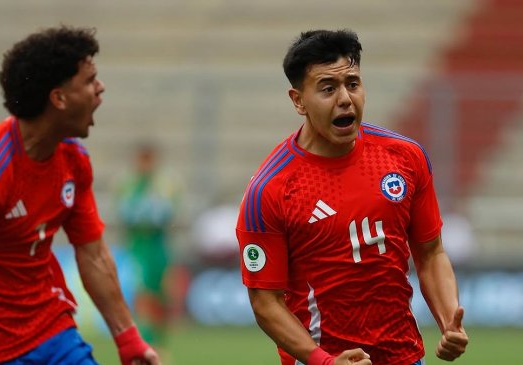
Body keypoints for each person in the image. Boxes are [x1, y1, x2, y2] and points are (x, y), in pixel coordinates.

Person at [0, 26, 160, 365]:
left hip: (52, 332)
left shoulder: (73, 160)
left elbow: (93, 253)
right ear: (59, 98)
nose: (100, 88)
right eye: (89, 80)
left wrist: (128, 339)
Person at [235, 29, 469, 365]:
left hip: (404, 356)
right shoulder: (270, 190)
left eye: (353, 84)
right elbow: (265, 301)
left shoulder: (405, 158)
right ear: (298, 100)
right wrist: (324, 361)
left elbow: (431, 253)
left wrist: (449, 323)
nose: (345, 98)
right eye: (328, 88)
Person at [115, 144, 179, 349]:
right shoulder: (128, 184)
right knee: (143, 296)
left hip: (159, 247)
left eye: (149, 160)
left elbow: (169, 215)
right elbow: (125, 215)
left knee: (162, 299)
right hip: (138, 247)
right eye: (143, 159)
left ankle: (160, 345)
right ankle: (146, 345)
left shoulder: (165, 184)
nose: (146, 165)